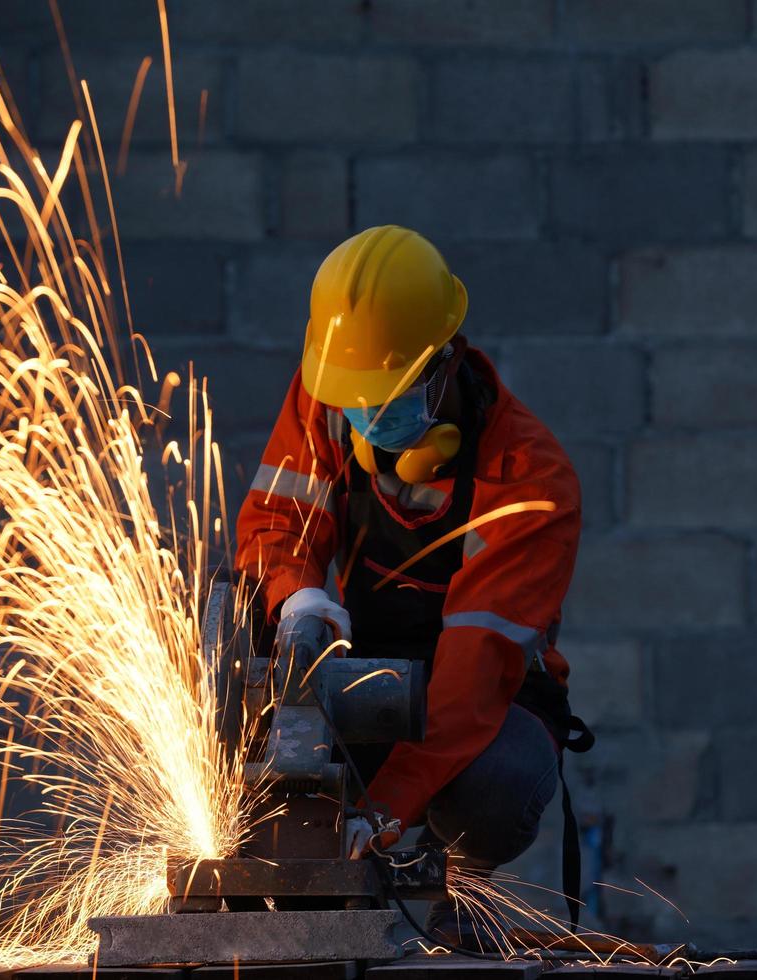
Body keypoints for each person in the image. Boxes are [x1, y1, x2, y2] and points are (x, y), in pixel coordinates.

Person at [234, 224, 589, 943]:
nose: (363, 414)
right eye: (352, 397)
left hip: (483, 706)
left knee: (503, 780)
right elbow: (275, 522)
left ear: (447, 362)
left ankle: (463, 897)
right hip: (361, 675)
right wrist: (297, 594)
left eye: (385, 395)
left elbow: (472, 677)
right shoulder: (331, 393)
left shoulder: (531, 479)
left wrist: (383, 812)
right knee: (254, 714)